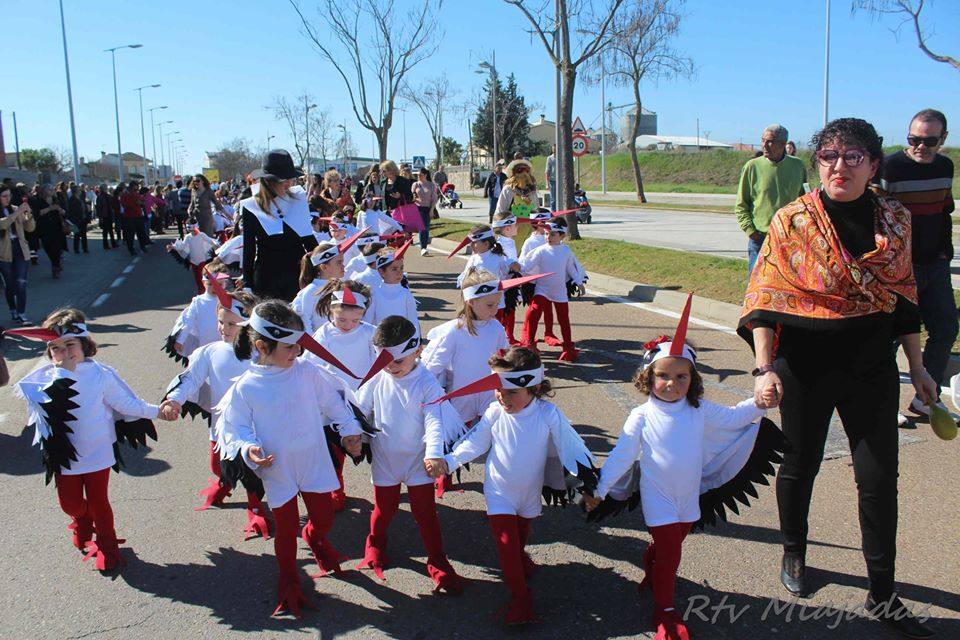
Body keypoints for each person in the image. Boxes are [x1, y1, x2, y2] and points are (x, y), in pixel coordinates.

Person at [742, 118, 936, 639]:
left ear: (874, 164)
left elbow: (904, 299)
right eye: (828, 155)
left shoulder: (894, 219)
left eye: (853, 156)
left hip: (872, 365)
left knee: (878, 480)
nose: (839, 165)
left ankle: (882, 592)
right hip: (803, 365)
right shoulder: (792, 221)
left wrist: (917, 368)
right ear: (816, 162)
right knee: (800, 464)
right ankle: (794, 552)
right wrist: (764, 368)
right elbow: (763, 299)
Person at [584, 299, 772, 640]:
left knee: (672, 545)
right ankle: (665, 611)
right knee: (672, 552)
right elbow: (622, 457)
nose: (672, 383)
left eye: (681, 376)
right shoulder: (641, 416)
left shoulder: (698, 409)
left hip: (689, 496)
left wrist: (759, 403)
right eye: (663, 376)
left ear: (692, 378)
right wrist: (599, 490)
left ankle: (651, 562)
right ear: (648, 376)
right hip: (658, 497)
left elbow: (733, 417)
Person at [216, 300, 363, 617]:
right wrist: (248, 448)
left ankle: (314, 537)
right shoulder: (246, 387)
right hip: (277, 467)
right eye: (289, 346)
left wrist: (349, 430)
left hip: (313, 460)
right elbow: (235, 427)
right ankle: (289, 579)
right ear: (261, 345)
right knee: (284, 530)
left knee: (323, 518)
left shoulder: (308, 372)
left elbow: (334, 404)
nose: (297, 352)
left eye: (299, 344)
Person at [429, 347, 595, 625]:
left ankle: (520, 562)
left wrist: (588, 484)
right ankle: (521, 601)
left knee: (518, 541)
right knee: (506, 546)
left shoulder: (548, 413)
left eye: (511, 392)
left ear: (535, 388)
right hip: (499, 491)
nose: (503, 398)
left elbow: (572, 446)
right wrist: (449, 461)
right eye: (499, 390)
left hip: (529, 493)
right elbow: (475, 442)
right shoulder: (494, 412)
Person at [11, 308, 170, 571]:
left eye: (70, 345)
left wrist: (158, 411)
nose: (64, 353)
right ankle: (83, 519)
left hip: (97, 451)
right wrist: (62, 373)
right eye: (55, 348)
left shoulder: (100, 374)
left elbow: (126, 403)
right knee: (69, 503)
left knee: (100, 502)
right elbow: (50, 407)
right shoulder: (44, 381)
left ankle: (108, 547)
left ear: (84, 344)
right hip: (65, 456)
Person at [351, 315, 465, 592]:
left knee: (425, 514)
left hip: (419, 463)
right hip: (386, 460)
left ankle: (437, 561)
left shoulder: (427, 383)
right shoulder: (379, 377)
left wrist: (435, 453)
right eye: (384, 361)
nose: (391, 367)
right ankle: (375, 545)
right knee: (384, 509)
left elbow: (434, 419)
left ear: (417, 350)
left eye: (398, 361)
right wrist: (353, 434)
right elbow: (358, 409)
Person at [160, 288, 269, 537]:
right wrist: (175, 399)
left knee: (253, 469)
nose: (224, 328)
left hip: (255, 425)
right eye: (221, 321)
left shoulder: (261, 353)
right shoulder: (208, 352)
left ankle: (255, 505)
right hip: (221, 425)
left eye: (231, 323)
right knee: (217, 466)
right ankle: (225, 482)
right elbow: (190, 379)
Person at [876, 108, 957, 421]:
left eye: (930, 140)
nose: (921, 146)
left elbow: (944, 212)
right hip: (898, 270)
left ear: (943, 139)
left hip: (934, 265)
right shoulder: (891, 167)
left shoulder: (945, 166)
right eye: (914, 139)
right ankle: (883, 405)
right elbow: (874, 216)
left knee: (946, 327)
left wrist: (944, 253)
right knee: (890, 338)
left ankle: (926, 399)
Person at [240, 150, 319, 301]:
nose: (289, 183)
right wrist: (247, 284)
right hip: (266, 278)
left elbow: (309, 240)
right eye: (283, 180)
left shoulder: (297, 200)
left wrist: (325, 260)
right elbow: (249, 248)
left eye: (290, 178)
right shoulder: (251, 206)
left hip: (297, 275)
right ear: (269, 181)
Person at [735, 124, 808, 275]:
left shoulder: (798, 166)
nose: (764, 145)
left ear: (782, 144)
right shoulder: (752, 167)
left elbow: (805, 201)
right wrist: (751, 231)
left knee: (789, 284)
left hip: (790, 239)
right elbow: (741, 204)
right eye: (763, 140)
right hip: (760, 238)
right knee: (756, 284)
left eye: (770, 141)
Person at [519, 218, 587, 362]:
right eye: (546, 234)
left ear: (562, 235)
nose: (548, 237)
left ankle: (568, 348)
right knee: (534, 312)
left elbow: (571, 268)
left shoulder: (566, 251)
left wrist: (579, 283)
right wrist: (517, 268)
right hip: (542, 289)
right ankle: (530, 344)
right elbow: (527, 266)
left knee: (563, 319)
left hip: (559, 291)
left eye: (552, 234)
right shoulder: (540, 251)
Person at [0, 186, 36, 324]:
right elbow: (3, 224)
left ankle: (22, 313)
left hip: (20, 249)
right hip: (4, 252)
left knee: (21, 283)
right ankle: (13, 310)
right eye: (4, 196)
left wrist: (28, 215)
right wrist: (17, 213)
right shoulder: (15, 211)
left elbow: (30, 228)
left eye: (9, 195)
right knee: (10, 285)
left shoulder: (15, 208)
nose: (8, 199)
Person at [366, 241, 418, 329]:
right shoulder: (374, 294)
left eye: (401, 268)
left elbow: (413, 321)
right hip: (379, 340)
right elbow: (367, 322)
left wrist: (416, 340)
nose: (399, 272)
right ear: (382, 271)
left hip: (403, 340)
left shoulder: (406, 294)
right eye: (394, 269)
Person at [30, 184, 67, 279]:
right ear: (44, 191)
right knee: (48, 248)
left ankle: (56, 267)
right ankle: (56, 264)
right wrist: (50, 208)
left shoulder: (56, 199)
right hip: (44, 228)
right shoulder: (37, 200)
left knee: (58, 248)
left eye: (52, 189)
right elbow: (37, 213)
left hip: (57, 227)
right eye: (49, 189)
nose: (52, 191)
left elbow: (64, 212)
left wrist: (60, 209)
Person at [411, 167, 438, 256]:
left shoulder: (431, 185)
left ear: (425, 175)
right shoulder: (415, 184)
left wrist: (431, 210)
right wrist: (413, 198)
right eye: (417, 175)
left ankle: (423, 246)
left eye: (420, 175)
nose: (419, 176)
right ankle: (423, 248)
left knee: (426, 228)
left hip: (427, 209)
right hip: (417, 209)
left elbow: (434, 199)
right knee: (422, 228)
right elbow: (411, 196)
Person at [119, 180, 150, 255]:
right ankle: (131, 249)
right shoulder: (125, 195)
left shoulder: (136, 194)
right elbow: (123, 204)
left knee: (141, 232)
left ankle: (142, 246)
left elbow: (143, 202)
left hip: (138, 215)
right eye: (136, 187)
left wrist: (141, 203)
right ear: (133, 186)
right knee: (130, 234)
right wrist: (135, 203)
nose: (137, 189)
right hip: (129, 217)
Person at [95, 184, 118, 249]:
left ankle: (113, 243)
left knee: (111, 230)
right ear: (103, 189)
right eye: (105, 188)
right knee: (105, 231)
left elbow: (112, 203)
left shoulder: (108, 196)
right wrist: (100, 217)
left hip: (109, 214)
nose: (106, 188)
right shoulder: (100, 197)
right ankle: (106, 245)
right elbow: (99, 208)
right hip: (104, 215)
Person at [545, 145, 557, 211]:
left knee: (561, 199)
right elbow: (547, 171)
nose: (554, 150)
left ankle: (561, 213)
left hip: (560, 181)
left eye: (555, 149)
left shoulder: (561, 157)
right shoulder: (550, 158)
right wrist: (547, 184)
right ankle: (553, 213)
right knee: (553, 199)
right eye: (553, 149)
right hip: (552, 181)